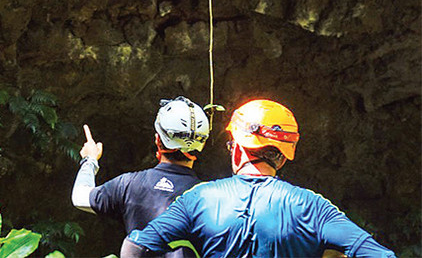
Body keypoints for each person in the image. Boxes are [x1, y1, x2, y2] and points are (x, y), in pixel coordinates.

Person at [121, 99, 397, 258]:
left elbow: (135, 248)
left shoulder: (198, 198)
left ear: (238, 146)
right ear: (284, 155)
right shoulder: (313, 207)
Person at [72, 96, 210, 257]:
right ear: (201, 145)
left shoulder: (129, 185)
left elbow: (79, 197)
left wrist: (90, 160)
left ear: (158, 139)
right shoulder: (210, 197)